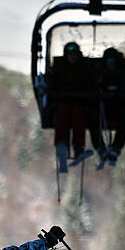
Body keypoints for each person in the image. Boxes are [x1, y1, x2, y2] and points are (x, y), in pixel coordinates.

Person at [47, 41, 95, 173]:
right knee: (62, 113)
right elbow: (52, 84)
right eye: (70, 55)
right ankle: (61, 145)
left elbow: (89, 85)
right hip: (62, 102)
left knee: (78, 114)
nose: (72, 58)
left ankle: (78, 146)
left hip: (79, 102)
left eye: (75, 55)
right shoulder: (59, 69)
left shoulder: (84, 69)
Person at [91, 47, 125, 165]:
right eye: (108, 61)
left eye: (113, 61)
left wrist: (118, 92)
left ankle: (116, 147)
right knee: (94, 117)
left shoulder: (123, 72)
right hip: (104, 106)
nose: (111, 64)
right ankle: (100, 147)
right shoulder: (100, 72)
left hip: (119, 105)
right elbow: (94, 85)